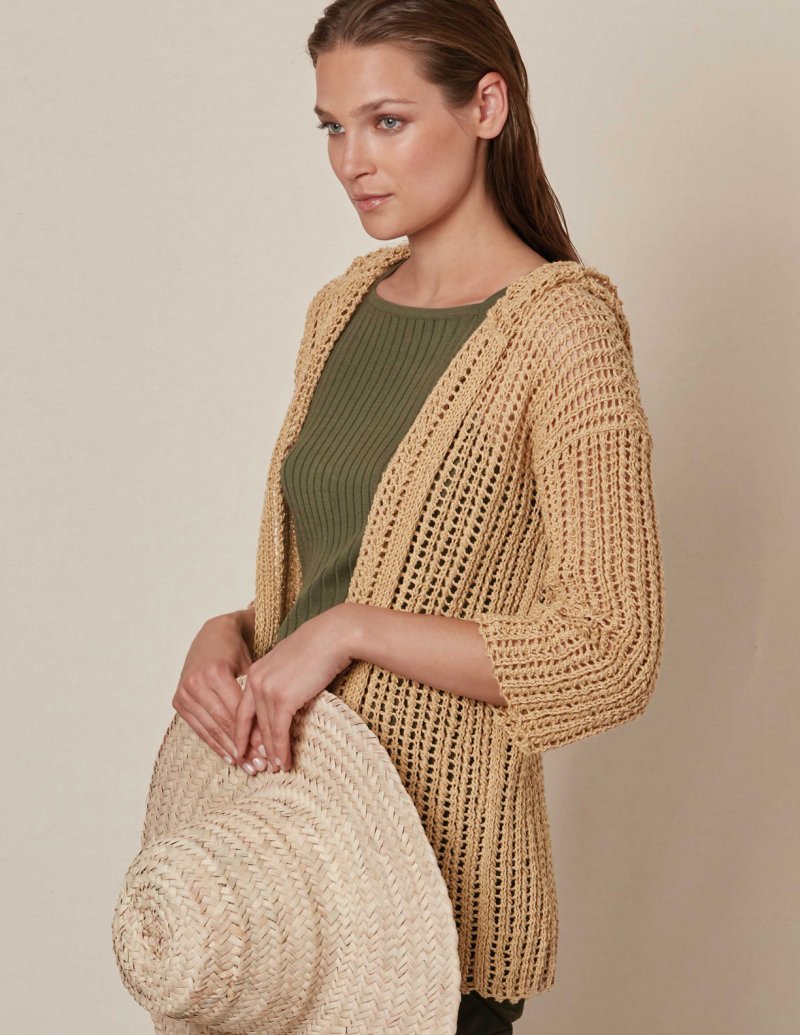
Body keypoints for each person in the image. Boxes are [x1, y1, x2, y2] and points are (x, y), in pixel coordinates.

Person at [171, 1, 665, 1031]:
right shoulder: (340, 310)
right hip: (289, 887)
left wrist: (346, 633)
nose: (352, 160)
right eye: (332, 127)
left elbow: (610, 650)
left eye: (387, 121)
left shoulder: (561, 331)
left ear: (486, 106)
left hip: (435, 907)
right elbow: (347, 572)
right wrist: (235, 632)